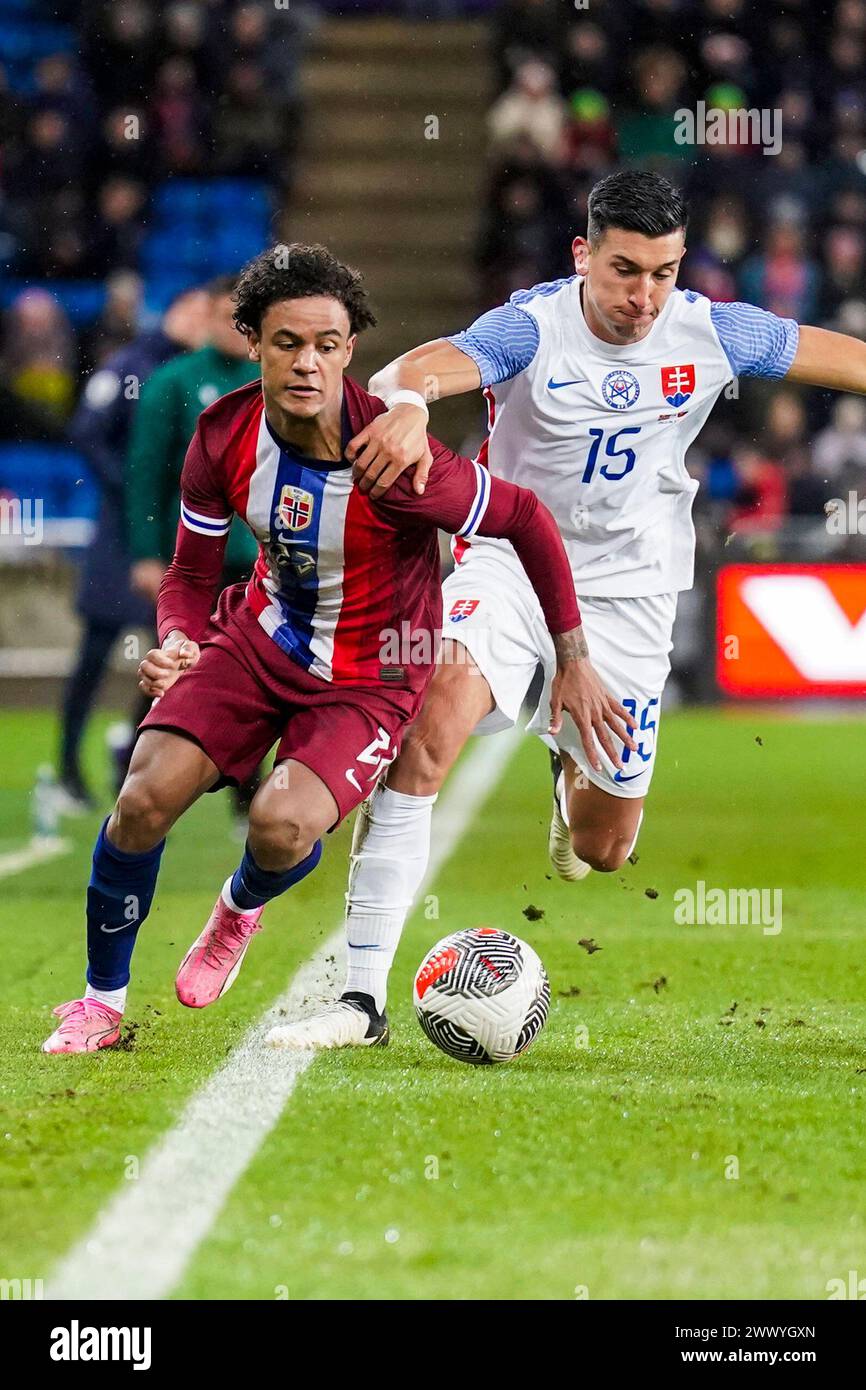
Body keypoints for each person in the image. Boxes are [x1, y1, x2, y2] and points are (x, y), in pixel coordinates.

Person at [278, 167, 866, 1050]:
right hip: (511, 565)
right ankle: (360, 1001)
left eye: (664, 273)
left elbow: (841, 356)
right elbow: (425, 364)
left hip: (632, 593)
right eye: (626, 270)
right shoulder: (532, 325)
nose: (644, 296)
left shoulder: (713, 330)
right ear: (584, 254)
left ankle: (570, 777)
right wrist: (403, 402)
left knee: (604, 850)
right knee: (430, 722)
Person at [41, 243, 627, 1055]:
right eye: (287, 343)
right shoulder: (222, 435)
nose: (307, 363)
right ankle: (99, 1003)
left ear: (351, 350)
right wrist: (178, 636)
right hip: (258, 641)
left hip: (371, 673)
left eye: (327, 344)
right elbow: (188, 569)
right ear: (252, 341)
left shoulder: (398, 457)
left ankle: (240, 907)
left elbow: (525, 518)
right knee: (142, 800)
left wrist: (572, 655)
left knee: (282, 827)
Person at [59, 287, 210, 809]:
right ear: (174, 311)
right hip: (120, 537)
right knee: (96, 652)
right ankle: (67, 768)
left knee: (169, 653)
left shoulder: (198, 374)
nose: (203, 322)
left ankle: (127, 753)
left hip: (170, 535)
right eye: (195, 312)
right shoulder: (132, 367)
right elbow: (86, 431)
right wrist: (132, 487)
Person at [125, 273, 263, 826]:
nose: (235, 328)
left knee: (252, 672)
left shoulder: (269, 382)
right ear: (207, 316)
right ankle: (134, 773)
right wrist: (144, 552)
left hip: (257, 559)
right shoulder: (173, 382)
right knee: (173, 662)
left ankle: (245, 791)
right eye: (226, 315)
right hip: (191, 559)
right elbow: (145, 474)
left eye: (243, 319)